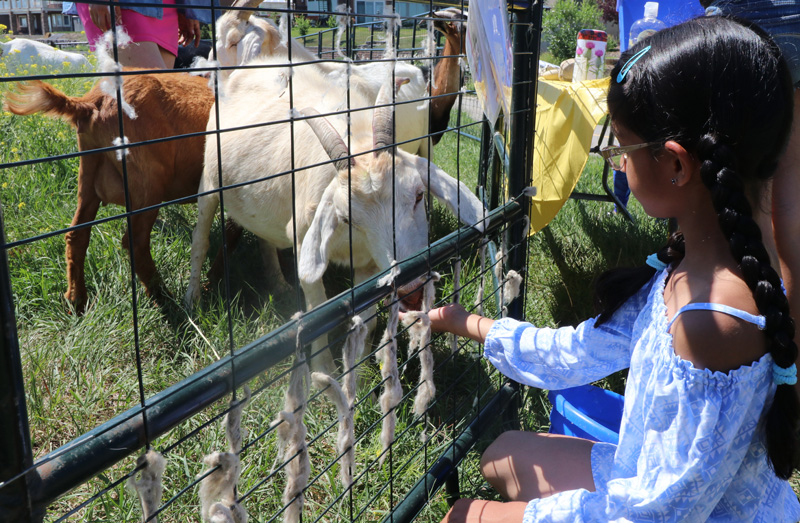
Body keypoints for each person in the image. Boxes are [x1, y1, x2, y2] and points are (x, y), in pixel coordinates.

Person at [426, 15, 800, 522]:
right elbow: (580, 351)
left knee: (462, 516)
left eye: (620, 146)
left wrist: (507, 517)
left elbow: (651, 516)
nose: (616, 161)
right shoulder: (698, 264)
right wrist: (467, 323)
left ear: (675, 165)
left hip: (686, 512)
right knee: (502, 457)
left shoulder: (711, 323)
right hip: (652, 476)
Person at [700, 0, 800, 408]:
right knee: (790, 202)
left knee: (723, 199)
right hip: (794, 18)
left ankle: (715, 365)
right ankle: (789, 379)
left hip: (738, 23)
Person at [77, 0, 216, 69]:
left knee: (150, 107)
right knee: (158, 99)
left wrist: (185, 6)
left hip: (166, 6)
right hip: (123, 4)